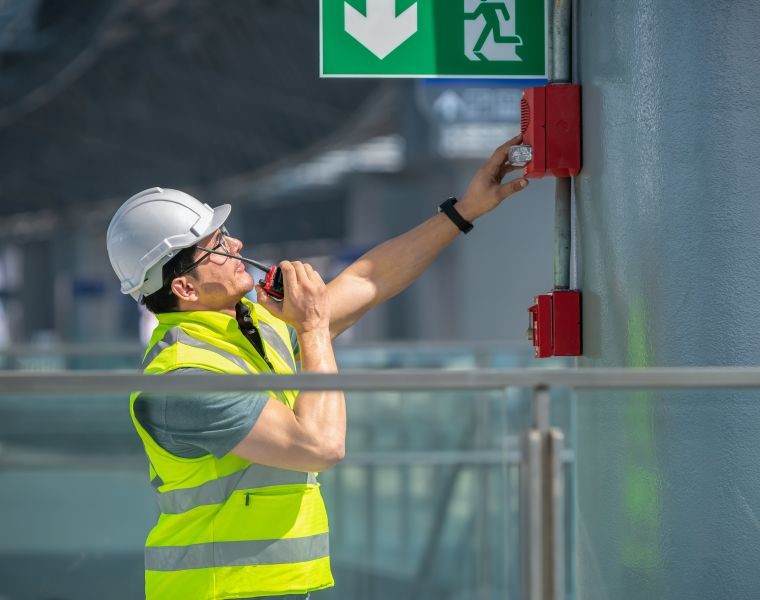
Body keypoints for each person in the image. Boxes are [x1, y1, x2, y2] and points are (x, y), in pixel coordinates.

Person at [105, 134, 529, 600]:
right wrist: (311, 328)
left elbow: (370, 279)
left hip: (268, 588)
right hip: (215, 591)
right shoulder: (182, 381)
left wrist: (463, 211)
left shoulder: (260, 327)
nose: (236, 244)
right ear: (184, 289)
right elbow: (320, 446)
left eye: (225, 234)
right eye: (217, 246)